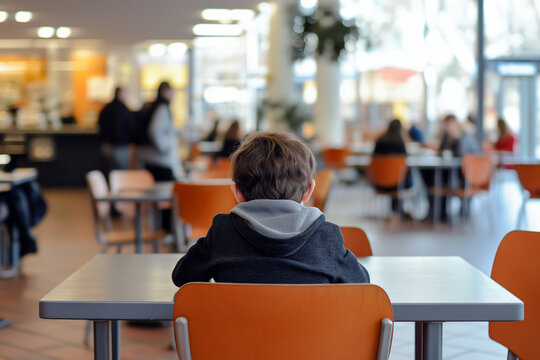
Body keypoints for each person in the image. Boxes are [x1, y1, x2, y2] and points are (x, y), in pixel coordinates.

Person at [172, 132, 369, 286]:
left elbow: (182, 276)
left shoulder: (223, 232)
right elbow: (362, 281)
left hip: (237, 337)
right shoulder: (326, 236)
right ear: (309, 191)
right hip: (309, 338)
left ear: (237, 192)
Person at [137, 81, 184, 181]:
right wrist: (164, 149)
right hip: (160, 160)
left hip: (151, 158)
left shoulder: (154, 106)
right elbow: (154, 131)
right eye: (172, 91)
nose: (173, 95)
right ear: (164, 91)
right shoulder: (162, 108)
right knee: (164, 192)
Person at [98, 87, 136, 172]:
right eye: (125, 94)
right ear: (119, 94)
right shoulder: (123, 110)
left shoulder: (106, 108)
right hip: (120, 147)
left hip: (106, 146)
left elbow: (100, 124)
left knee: (110, 172)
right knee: (121, 174)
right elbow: (131, 128)